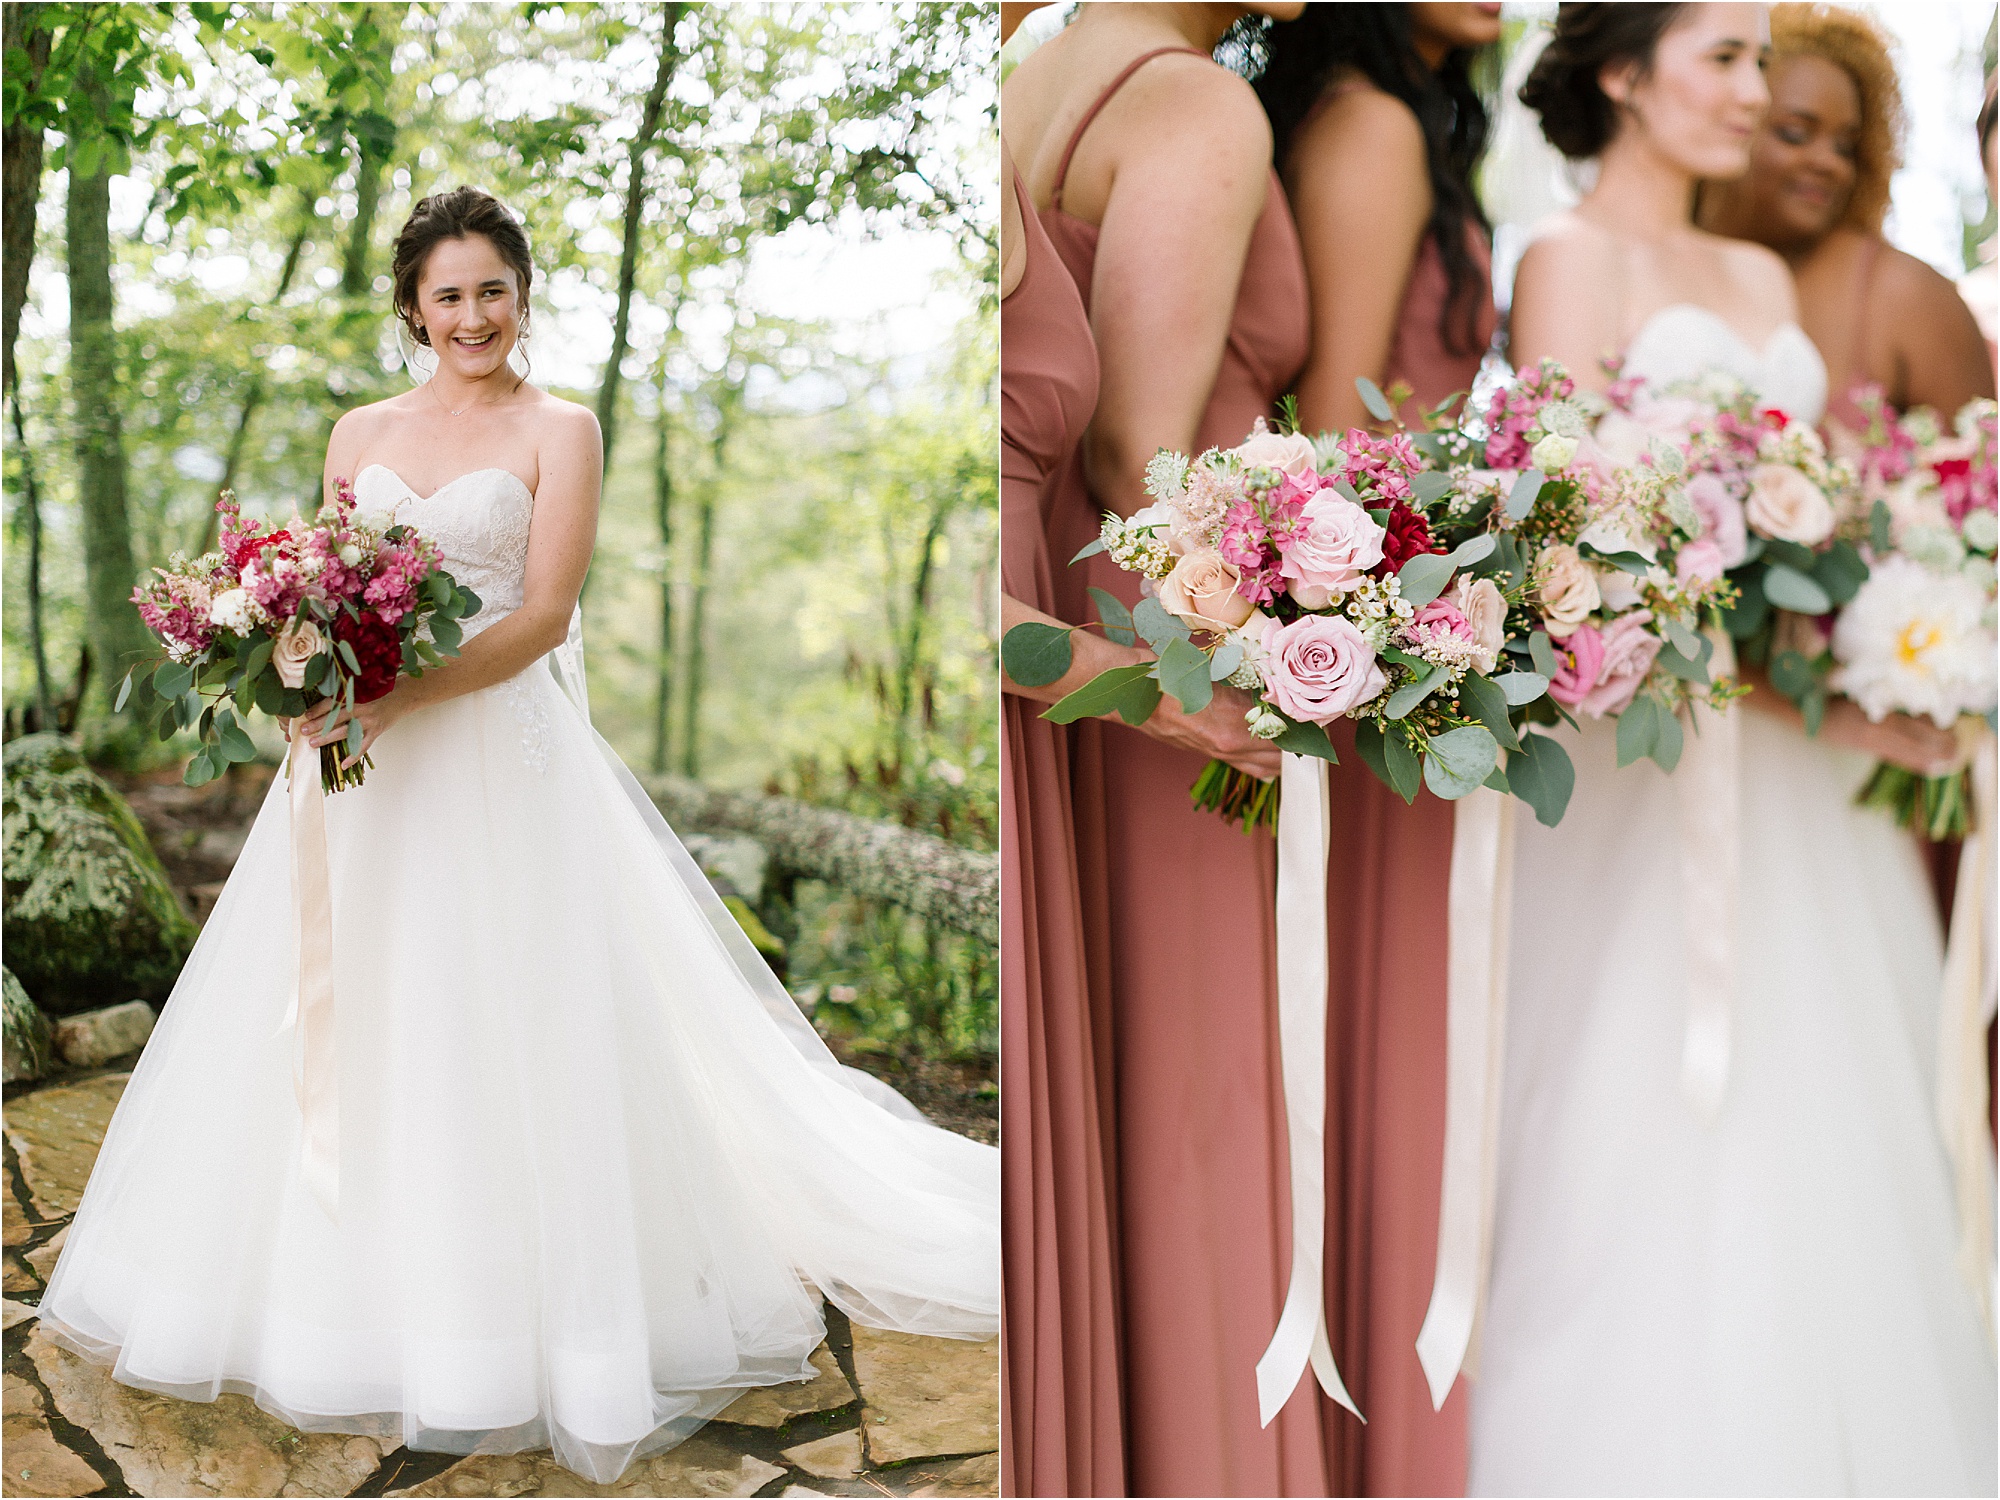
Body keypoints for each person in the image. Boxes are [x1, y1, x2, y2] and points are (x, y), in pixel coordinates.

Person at [36, 187, 1000, 1485]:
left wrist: (390, 695)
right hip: (357, 772)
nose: (472, 315)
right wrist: (296, 678)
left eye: (493, 289)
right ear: (412, 308)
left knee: (506, 1018)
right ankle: (350, 1301)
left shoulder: (563, 429)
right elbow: (315, 585)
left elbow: (544, 613)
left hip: (503, 760)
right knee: (361, 1013)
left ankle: (532, 1318)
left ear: (522, 295)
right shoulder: (361, 429)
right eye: (448, 294)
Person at [1475, 7, 1996, 1493]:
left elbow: (1810, 528)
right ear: (1626, 78)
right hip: (1654, 772)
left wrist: (1900, 639)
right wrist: (1826, 694)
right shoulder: (1567, 263)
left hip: (1811, 792)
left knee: (1835, 1134)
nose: (1756, 94)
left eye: (1764, 62)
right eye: (1725, 58)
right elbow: (1591, 558)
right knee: (1649, 1133)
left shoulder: (1763, 274)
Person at [1006, 3, 1361, 1492]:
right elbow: (1141, 456)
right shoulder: (1202, 110)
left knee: (1140, 1098)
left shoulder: (1038, 75)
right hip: (1178, 634)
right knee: (1208, 1110)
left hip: (1093, 617)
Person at [1249, 4, 1500, 1492]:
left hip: (1428, 624)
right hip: (1385, 627)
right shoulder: (1373, 124)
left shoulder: (1402, 116)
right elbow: (1343, 419)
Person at [1695, 2, 1993, 432]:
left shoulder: (1907, 294)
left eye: (1845, 147)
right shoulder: (1663, 265)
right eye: (1795, 134)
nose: (1829, 163)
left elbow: (1984, 484)